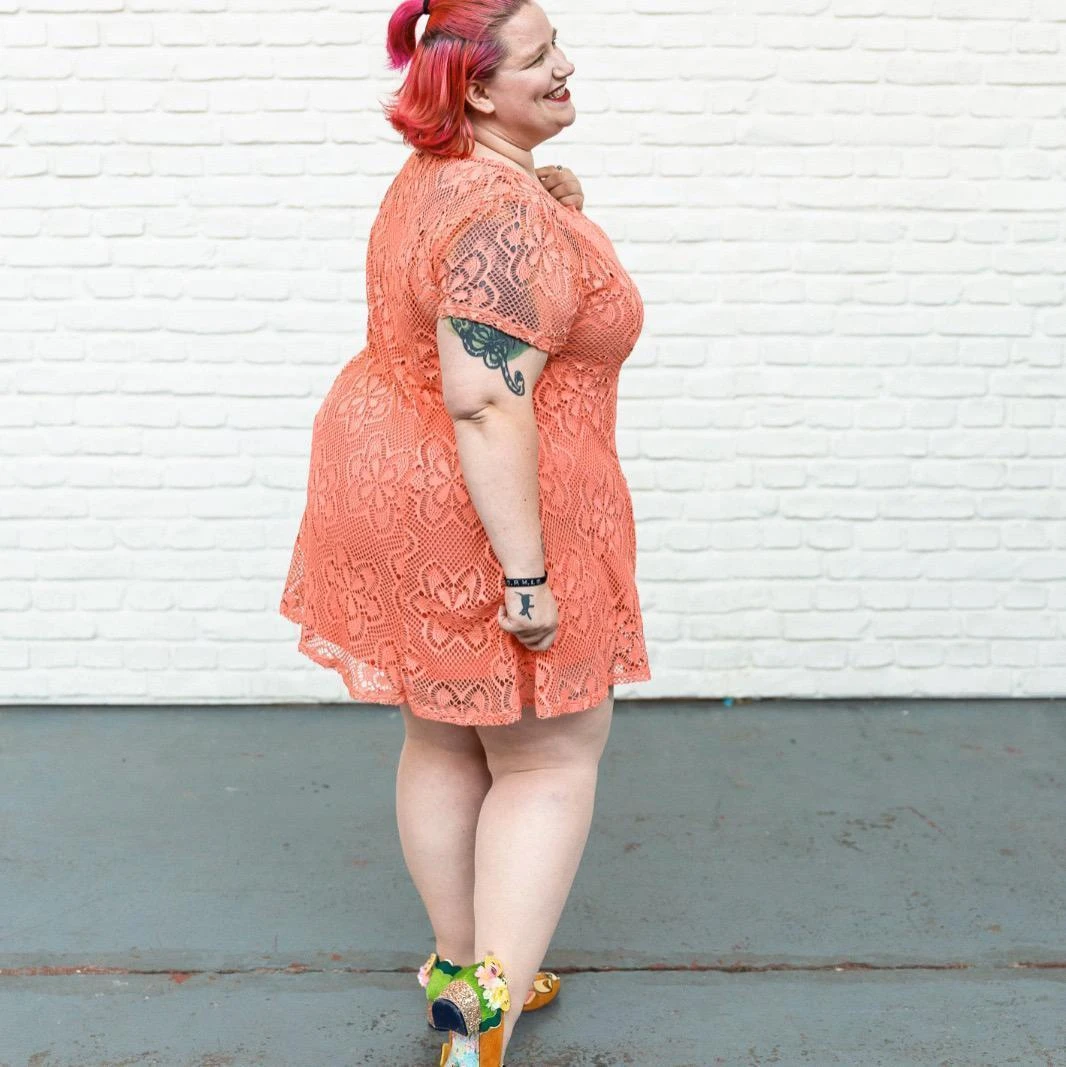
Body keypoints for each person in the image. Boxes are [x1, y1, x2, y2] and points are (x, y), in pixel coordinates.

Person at [278, 0, 651, 1062]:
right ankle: (484, 1016)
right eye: (540, 56)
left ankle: (459, 969)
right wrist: (526, 575)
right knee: (547, 753)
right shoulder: (503, 217)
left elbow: (469, 290)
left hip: (386, 481)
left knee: (443, 730)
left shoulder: (445, 176)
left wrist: (554, 211)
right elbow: (486, 399)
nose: (567, 65)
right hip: (479, 506)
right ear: (478, 90)